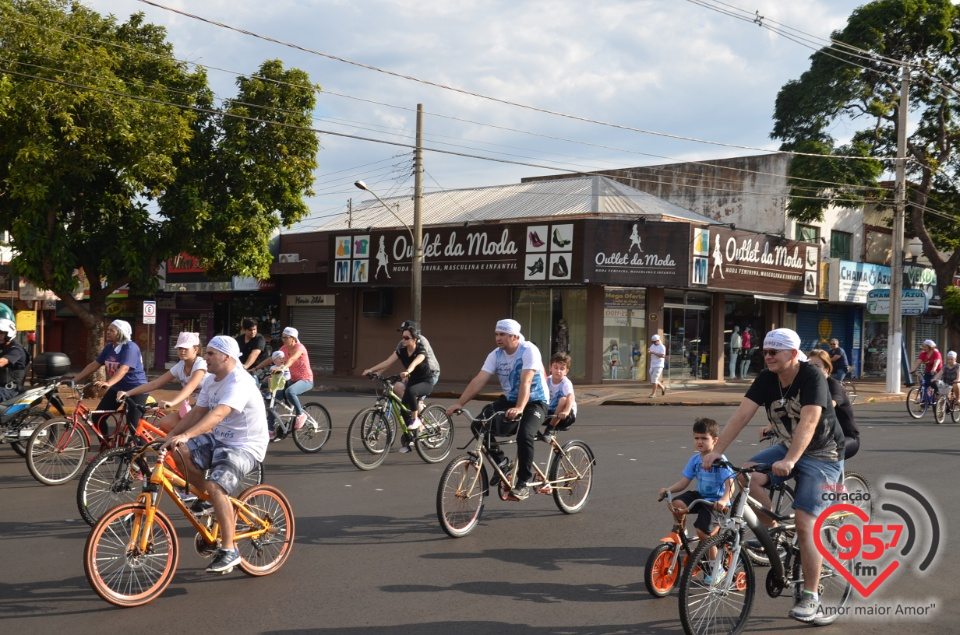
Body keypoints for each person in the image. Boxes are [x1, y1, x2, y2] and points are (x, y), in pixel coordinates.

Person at [702, 328, 844, 624]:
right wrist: (718, 450)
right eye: (765, 352)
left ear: (792, 354)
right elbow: (742, 415)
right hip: (785, 448)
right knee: (744, 476)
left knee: (806, 523)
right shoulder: (767, 379)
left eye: (773, 352)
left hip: (823, 455)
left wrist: (791, 458)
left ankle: (811, 596)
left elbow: (810, 419)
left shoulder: (811, 376)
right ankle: (776, 530)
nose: (767, 357)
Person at [161, 335, 268, 575]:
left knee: (216, 485)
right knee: (178, 451)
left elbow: (218, 414)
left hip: (245, 445)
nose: (205, 358)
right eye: (205, 353)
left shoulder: (239, 381)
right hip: (221, 438)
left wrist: (187, 435)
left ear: (226, 357)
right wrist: (171, 438)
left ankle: (229, 550)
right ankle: (210, 502)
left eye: (210, 353)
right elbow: (196, 413)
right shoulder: (211, 381)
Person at [445, 319, 549, 501]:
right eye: (496, 334)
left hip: (535, 401)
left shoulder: (529, 350)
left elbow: (526, 381)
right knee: (478, 424)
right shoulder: (496, 355)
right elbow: (479, 380)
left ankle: (523, 482)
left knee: (524, 435)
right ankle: (501, 462)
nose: (498, 338)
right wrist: (460, 403)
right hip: (510, 400)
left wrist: (519, 408)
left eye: (503, 334)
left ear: (515, 336)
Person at [658, 418, 735, 564]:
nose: (699, 442)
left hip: (714, 502)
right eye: (696, 438)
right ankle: (682, 532)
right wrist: (669, 490)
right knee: (677, 503)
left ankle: (715, 566)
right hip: (700, 496)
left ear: (715, 440)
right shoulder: (695, 460)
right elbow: (684, 482)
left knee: (703, 533)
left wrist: (724, 500)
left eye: (704, 438)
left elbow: (731, 484)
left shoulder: (720, 460)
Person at [361, 320, 441, 453]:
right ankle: (410, 431)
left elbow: (417, 361)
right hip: (412, 376)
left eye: (406, 335)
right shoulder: (402, 345)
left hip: (430, 374)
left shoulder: (421, 343)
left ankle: (418, 425)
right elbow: (389, 361)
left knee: (414, 396)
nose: (403, 338)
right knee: (400, 392)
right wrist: (375, 372)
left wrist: (408, 371)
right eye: (402, 333)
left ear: (414, 335)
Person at [70, 319, 149, 441]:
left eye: (112, 330)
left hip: (136, 389)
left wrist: (108, 383)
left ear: (121, 333)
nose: (107, 332)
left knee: (133, 424)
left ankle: (141, 455)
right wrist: (74, 380)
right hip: (118, 388)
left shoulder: (130, 347)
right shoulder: (109, 347)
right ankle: (106, 449)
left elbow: (124, 369)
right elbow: (94, 365)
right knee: (98, 417)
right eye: (108, 329)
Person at [117, 332, 207, 433]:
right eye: (179, 348)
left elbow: (190, 387)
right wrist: (128, 393)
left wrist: (172, 402)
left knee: (197, 430)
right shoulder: (180, 366)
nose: (182, 351)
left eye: (185, 348)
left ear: (196, 349)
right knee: (165, 424)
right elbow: (155, 383)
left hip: (213, 405)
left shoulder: (201, 364)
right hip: (200, 405)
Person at [806, 349, 860, 459]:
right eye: (809, 366)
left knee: (820, 456)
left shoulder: (834, 386)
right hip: (822, 437)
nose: (812, 370)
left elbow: (832, 403)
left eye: (816, 366)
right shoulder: (808, 387)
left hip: (847, 438)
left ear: (826, 369)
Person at [270, 327, 314, 437]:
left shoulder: (300, 348)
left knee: (290, 391)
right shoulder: (284, 349)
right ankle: (270, 430)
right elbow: (272, 358)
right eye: (282, 337)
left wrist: (283, 367)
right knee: (272, 399)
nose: (283, 340)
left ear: (293, 338)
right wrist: (255, 368)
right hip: (292, 380)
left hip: (306, 380)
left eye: (286, 337)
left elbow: (293, 359)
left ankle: (300, 413)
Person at [543, 352, 576, 441]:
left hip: (566, 416)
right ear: (550, 368)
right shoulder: (546, 380)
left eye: (562, 369)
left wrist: (566, 411)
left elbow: (570, 397)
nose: (558, 371)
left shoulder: (565, 383)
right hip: (551, 412)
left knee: (563, 399)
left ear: (566, 372)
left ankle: (550, 429)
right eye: (555, 367)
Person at [0, 319, 28, 402]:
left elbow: (1, 362)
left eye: (1, 333)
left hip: (10, 390)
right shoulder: (2, 347)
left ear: (9, 334)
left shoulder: (16, 350)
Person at [648, 333, 667, 398]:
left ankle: (654, 393)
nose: (654, 343)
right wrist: (649, 351)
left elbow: (663, 356)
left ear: (658, 340)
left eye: (655, 341)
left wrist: (654, 353)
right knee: (653, 380)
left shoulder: (662, 347)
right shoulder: (652, 346)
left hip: (659, 365)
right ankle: (663, 387)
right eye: (653, 342)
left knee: (654, 379)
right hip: (652, 364)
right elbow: (650, 351)